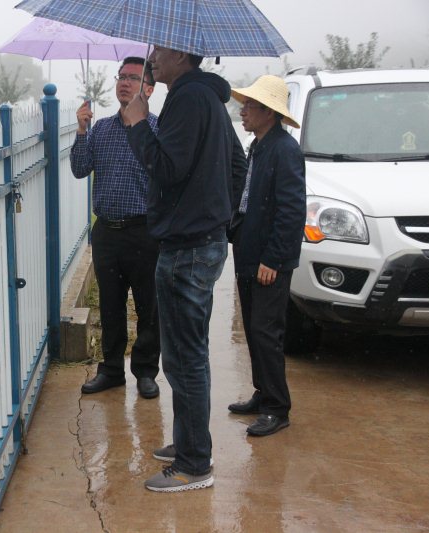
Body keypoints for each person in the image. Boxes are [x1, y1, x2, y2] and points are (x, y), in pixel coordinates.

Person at [121, 47, 247, 492]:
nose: (153, 57)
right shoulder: (207, 97)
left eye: (160, 49)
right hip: (200, 240)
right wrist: (217, 217)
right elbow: (237, 164)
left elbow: (165, 168)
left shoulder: (188, 98)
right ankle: (190, 441)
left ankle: (194, 463)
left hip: (187, 247)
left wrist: (138, 124)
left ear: (181, 53)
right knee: (186, 354)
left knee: (184, 358)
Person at [70, 56, 161, 399]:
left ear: (148, 89)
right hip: (107, 231)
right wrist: (82, 130)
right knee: (110, 305)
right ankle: (111, 369)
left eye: (133, 78)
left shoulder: (157, 130)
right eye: (121, 76)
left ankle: (146, 371)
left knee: (148, 306)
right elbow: (80, 168)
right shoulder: (102, 129)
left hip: (145, 231)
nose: (124, 82)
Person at [226, 75, 306, 437]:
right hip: (249, 248)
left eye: (250, 106)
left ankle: (277, 407)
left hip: (268, 257)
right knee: (253, 327)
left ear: (268, 112)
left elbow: (291, 210)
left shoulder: (284, 150)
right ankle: (263, 392)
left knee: (266, 330)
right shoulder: (258, 145)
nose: (243, 111)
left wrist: (273, 259)